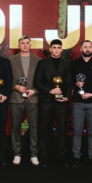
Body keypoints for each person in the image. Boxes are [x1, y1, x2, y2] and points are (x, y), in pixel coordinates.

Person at [34, 39, 72, 167]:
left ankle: (61, 157)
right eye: (54, 47)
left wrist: (66, 97)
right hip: (46, 101)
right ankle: (44, 157)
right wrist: (50, 90)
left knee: (62, 130)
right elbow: (37, 82)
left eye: (58, 47)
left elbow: (69, 83)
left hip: (61, 102)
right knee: (44, 129)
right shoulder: (42, 63)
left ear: (62, 49)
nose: (56, 50)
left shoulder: (67, 64)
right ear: (50, 49)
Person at [70, 40, 92, 168]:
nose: (87, 49)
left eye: (90, 47)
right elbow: (69, 81)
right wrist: (75, 84)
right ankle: (76, 157)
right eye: (85, 47)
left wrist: (91, 94)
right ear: (81, 49)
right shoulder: (74, 64)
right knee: (77, 131)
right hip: (77, 102)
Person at [9, 36, 41, 167]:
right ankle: (17, 154)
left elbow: (42, 80)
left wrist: (35, 90)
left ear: (30, 45)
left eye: (27, 43)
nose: (25, 45)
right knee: (15, 127)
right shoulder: (11, 60)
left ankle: (34, 154)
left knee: (34, 127)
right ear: (19, 45)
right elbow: (7, 78)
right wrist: (16, 86)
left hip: (32, 98)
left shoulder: (38, 61)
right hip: (16, 98)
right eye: (22, 43)